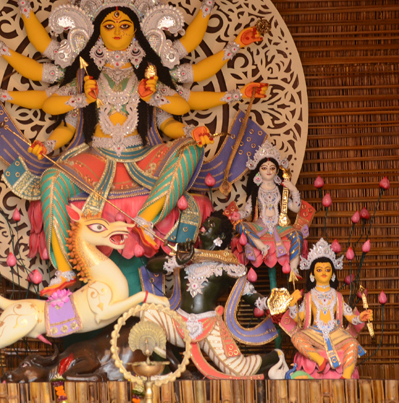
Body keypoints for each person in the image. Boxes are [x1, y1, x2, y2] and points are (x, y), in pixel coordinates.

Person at [0, 0, 267, 293]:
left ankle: (146, 218)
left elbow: (174, 116)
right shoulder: (84, 73)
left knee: (190, 152)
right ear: (96, 32)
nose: (118, 28)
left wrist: (180, 123)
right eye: (109, 23)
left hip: (142, 160)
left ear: (138, 31)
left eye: (126, 23)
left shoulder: (149, 73)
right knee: (53, 180)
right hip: (95, 159)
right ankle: (64, 270)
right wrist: (54, 134)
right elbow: (56, 112)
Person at [142, 211, 285, 379]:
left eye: (210, 225)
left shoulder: (227, 266)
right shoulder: (188, 257)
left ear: (220, 236)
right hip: (179, 322)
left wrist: (270, 302)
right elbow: (151, 266)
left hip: (208, 326)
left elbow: (249, 294)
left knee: (239, 370)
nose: (203, 226)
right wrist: (178, 260)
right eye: (205, 223)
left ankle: (276, 356)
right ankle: (162, 373)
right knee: (149, 313)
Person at [279, 238, 371, 379]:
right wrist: (292, 304)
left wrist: (360, 317)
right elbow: (298, 319)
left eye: (327, 270)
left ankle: (346, 378)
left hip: (335, 332)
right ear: (312, 274)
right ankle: (319, 360)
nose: (324, 272)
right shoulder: (309, 296)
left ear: (333, 274)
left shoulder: (337, 296)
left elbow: (350, 316)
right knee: (297, 337)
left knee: (352, 344)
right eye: (319, 269)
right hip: (315, 333)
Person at [232, 142, 306, 286]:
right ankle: (261, 246)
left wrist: (293, 190)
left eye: (272, 168)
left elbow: (296, 208)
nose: (268, 171)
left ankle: (294, 269)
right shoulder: (256, 191)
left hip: (279, 227)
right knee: (241, 226)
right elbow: (247, 211)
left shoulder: (281, 190)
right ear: (258, 171)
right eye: (264, 168)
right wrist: (239, 215)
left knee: (297, 235)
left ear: (277, 171)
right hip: (260, 227)